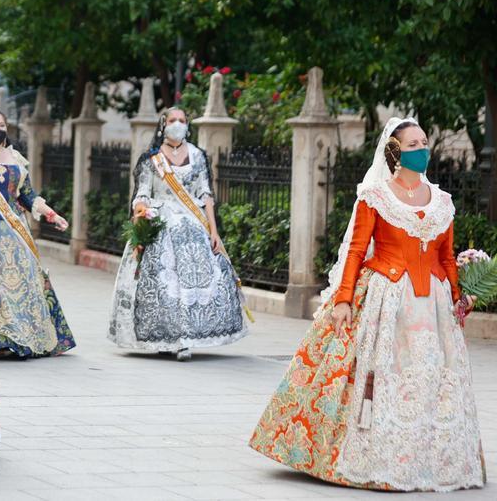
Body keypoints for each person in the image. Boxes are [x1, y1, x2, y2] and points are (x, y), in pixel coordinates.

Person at [250, 118, 484, 491]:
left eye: (424, 142)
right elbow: (357, 251)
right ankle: (377, 456)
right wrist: (343, 300)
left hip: (432, 307)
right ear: (395, 151)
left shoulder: (443, 202)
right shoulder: (374, 197)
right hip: (386, 299)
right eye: (413, 144)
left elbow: (447, 257)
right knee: (384, 374)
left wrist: (458, 299)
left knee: (430, 376)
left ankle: (429, 458)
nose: (422, 149)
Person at [107, 107, 247, 360]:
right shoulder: (152, 159)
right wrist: (141, 215)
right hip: (160, 224)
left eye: (182, 120)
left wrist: (214, 231)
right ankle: (167, 337)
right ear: (163, 125)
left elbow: (206, 197)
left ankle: (186, 338)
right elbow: (142, 194)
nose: (177, 124)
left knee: (193, 283)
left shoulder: (198, 156)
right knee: (163, 283)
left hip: (194, 225)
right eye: (172, 120)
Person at [0, 109, 75, 358]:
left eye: (1, 124)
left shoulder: (16, 159)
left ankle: (19, 338)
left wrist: (51, 214)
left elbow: (27, 196)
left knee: (21, 287)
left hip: (14, 233)